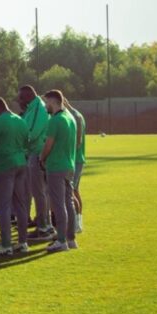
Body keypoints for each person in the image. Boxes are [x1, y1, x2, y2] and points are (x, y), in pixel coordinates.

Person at [0, 97, 30, 255]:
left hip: (4, 164)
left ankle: (6, 244)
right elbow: (26, 142)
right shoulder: (20, 120)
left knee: (3, 205)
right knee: (20, 204)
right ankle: (23, 242)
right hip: (20, 163)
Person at [39, 90, 78, 253]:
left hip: (56, 166)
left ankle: (61, 240)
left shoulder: (54, 120)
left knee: (58, 204)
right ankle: (71, 239)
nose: (45, 106)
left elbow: (48, 144)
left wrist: (41, 158)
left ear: (53, 102)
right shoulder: (70, 118)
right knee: (68, 202)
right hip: (69, 165)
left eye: (46, 102)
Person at [18, 85, 54, 240]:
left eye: (20, 97)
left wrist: (18, 143)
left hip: (36, 153)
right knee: (40, 192)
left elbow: (31, 133)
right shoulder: (32, 108)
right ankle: (45, 225)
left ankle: (44, 227)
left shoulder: (37, 108)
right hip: (33, 153)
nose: (19, 101)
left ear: (27, 96)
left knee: (39, 192)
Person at [65, 98, 86, 233]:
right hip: (77, 159)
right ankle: (78, 222)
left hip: (75, 159)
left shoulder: (73, 116)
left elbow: (77, 142)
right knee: (75, 190)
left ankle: (77, 223)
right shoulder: (77, 114)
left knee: (71, 192)